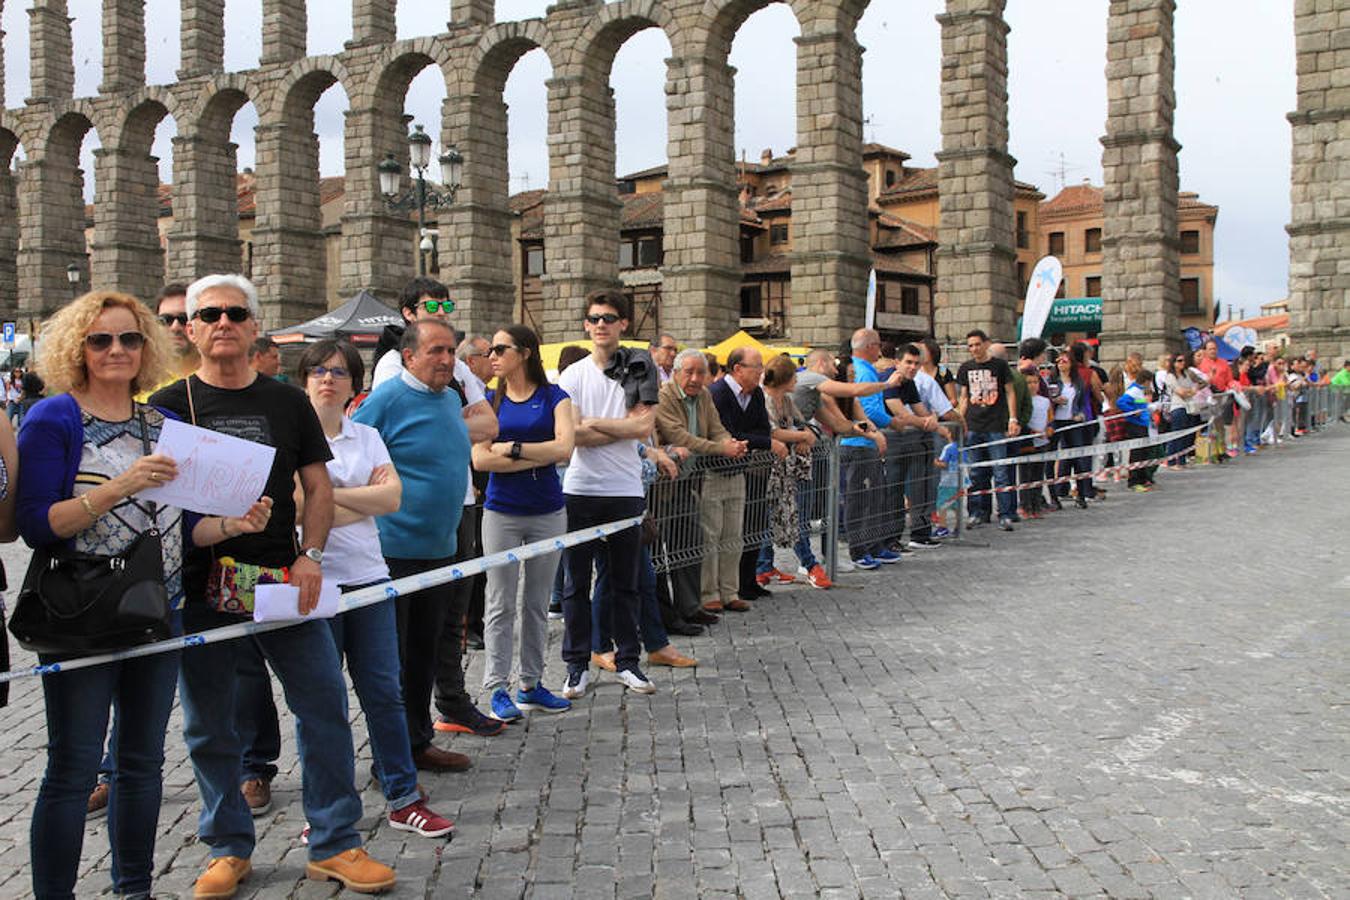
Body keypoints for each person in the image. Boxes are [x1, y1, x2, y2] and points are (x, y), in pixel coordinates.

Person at [18, 289, 268, 900]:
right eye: (100, 339)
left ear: (147, 347)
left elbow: (187, 528)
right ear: (78, 348)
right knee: (74, 767)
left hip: (159, 610)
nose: (116, 350)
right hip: (79, 611)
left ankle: (134, 889)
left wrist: (234, 524)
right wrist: (121, 485)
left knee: (141, 762)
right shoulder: (56, 417)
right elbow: (37, 525)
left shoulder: (165, 423)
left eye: (130, 338)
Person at [152, 274, 396, 896]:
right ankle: (228, 846)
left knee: (321, 706)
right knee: (209, 724)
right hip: (202, 586)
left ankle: (336, 841)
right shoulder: (165, 405)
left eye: (236, 313)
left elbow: (318, 488)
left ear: (256, 326)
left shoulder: (286, 403)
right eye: (210, 314)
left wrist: (312, 554)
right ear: (192, 327)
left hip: (282, 578)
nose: (223, 323)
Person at [296, 339, 456, 839]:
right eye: (319, 370)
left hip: (368, 578)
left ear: (354, 385)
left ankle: (403, 796)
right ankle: (325, 811)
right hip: (315, 583)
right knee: (320, 706)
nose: (328, 379)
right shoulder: (289, 441)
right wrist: (352, 499)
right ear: (303, 379)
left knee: (385, 693)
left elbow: (391, 499)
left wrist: (325, 498)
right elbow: (295, 507)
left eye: (340, 373)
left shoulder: (365, 437)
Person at [351, 320, 480, 770]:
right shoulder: (385, 400)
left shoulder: (450, 398)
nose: (447, 360)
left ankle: (418, 742)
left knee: (426, 653)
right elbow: (349, 452)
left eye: (452, 351)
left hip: (441, 550)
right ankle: (390, 758)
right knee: (393, 663)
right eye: (437, 351)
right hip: (394, 552)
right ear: (409, 356)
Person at [556, 290, 660, 698]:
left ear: (623, 325)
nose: (601, 324)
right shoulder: (572, 375)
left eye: (609, 317)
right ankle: (575, 666)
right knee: (574, 584)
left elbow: (642, 428)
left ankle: (628, 662)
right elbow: (571, 435)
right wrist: (619, 426)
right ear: (586, 324)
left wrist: (597, 424)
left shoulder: (638, 368)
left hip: (625, 488)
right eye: (594, 318)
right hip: (580, 489)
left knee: (625, 582)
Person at [470, 325, 576, 721]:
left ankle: (531, 683)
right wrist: (540, 454)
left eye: (501, 349)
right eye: (491, 350)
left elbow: (565, 448)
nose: (492, 356)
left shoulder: (554, 396)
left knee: (535, 602)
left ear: (526, 352)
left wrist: (512, 449)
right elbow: (480, 459)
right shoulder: (488, 400)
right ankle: (496, 686)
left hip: (548, 510)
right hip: (502, 511)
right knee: (499, 603)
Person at [654, 348, 747, 619]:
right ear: (675, 373)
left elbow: (715, 428)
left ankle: (691, 607)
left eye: (700, 373)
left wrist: (731, 442)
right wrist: (721, 449)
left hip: (689, 481)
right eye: (689, 372)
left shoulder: (704, 395)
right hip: (662, 485)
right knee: (659, 551)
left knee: (690, 545)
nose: (695, 378)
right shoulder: (664, 396)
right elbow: (680, 436)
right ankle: (665, 612)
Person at [710, 346, 788, 599]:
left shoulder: (754, 395)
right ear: (738, 369)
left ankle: (746, 581)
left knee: (750, 527)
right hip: (718, 470)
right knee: (721, 533)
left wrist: (755, 440)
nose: (761, 373)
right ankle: (719, 590)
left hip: (746, 469)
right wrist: (764, 443)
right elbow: (728, 432)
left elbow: (762, 428)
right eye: (757, 367)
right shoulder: (719, 394)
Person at [756, 354, 828, 588]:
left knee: (785, 515)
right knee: (777, 517)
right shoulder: (765, 399)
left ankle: (765, 565)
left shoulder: (785, 400)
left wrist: (804, 436)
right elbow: (773, 432)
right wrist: (801, 436)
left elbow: (801, 423)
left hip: (787, 468)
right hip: (768, 468)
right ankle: (809, 564)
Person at [839, 329, 904, 568]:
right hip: (857, 444)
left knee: (875, 498)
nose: (880, 350)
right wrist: (891, 422)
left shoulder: (863, 369)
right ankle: (859, 549)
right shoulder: (862, 371)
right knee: (860, 500)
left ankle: (875, 544)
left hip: (865, 442)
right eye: (877, 345)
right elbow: (868, 410)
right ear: (869, 347)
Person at [957, 329, 1019, 531]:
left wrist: (1012, 418)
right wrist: (959, 419)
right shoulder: (965, 368)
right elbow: (964, 397)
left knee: (1000, 471)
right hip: (973, 424)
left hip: (995, 425)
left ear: (986, 344)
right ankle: (976, 513)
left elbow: (1010, 392)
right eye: (971, 345)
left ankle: (1005, 514)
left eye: (977, 344)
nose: (974, 349)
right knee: (975, 473)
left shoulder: (999, 366)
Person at [1048, 348, 1093, 507]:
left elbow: (1082, 403)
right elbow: (1046, 400)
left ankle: (1081, 495)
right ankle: (1054, 497)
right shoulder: (1052, 380)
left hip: (1072, 421)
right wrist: (1054, 401)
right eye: (1058, 361)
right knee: (1050, 460)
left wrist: (1082, 415)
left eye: (1064, 361)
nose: (1061, 364)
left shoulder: (1078, 382)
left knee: (1078, 458)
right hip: (1055, 421)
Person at [1115, 367, 1154, 491]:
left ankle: (1142, 479)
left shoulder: (1139, 391)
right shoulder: (1134, 390)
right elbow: (1121, 402)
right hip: (1135, 425)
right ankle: (1133, 481)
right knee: (1137, 453)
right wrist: (1132, 412)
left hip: (1142, 424)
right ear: (1146, 381)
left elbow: (1138, 403)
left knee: (1143, 452)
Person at [1162, 351, 1200, 466]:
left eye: (1183, 360)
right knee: (1176, 435)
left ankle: (1182, 460)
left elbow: (1195, 387)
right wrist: (1190, 391)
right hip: (1177, 407)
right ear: (1173, 363)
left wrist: (1189, 391)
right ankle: (1172, 461)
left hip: (1188, 407)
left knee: (1186, 436)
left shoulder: (1186, 374)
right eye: (1179, 361)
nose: (1182, 363)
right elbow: (1181, 392)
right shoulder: (1170, 376)